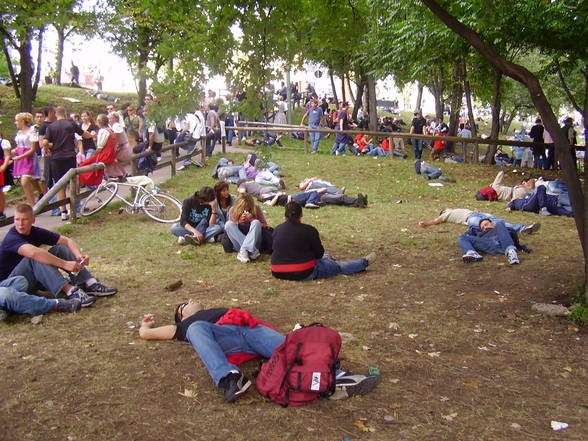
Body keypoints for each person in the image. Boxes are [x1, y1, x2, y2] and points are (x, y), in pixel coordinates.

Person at [138, 300, 381, 403]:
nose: (191, 301)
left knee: (291, 348)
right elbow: (146, 334)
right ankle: (230, 377)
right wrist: (146, 325)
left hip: (248, 330)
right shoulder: (185, 325)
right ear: (182, 313)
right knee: (197, 328)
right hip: (223, 339)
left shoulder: (218, 309)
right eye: (185, 303)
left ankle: (335, 377)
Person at [0, 204, 117, 308]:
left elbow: (67, 241)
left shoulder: (35, 232)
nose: (20, 224)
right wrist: (65, 264)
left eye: (24, 220)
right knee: (37, 257)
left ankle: (88, 282)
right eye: (17, 219)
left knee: (60, 248)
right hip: (11, 285)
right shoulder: (12, 238)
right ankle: (71, 292)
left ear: (33, 220)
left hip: (31, 279)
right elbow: (34, 253)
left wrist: (79, 256)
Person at [271, 201, 376, 281]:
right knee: (338, 266)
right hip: (304, 272)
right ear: (301, 215)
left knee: (326, 257)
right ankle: (363, 263)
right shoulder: (309, 230)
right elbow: (319, 254)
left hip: (277, 271)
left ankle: (329, 260)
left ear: (285, 215)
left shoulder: (277, 229)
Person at [43, 106, 93, 220]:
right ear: (65, 113)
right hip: (70, 156)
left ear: (56, 114)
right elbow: (83, 134)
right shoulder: (70, 124)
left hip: (56, 158)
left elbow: (45, 141)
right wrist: (92, 135)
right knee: (73, 182)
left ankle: (63, 211)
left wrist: (47, 149)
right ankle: (76, 208)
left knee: (60, 184)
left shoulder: (51, 126)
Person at [458, 218, 527, 265]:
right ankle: (472, 254)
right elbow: (468, 236)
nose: (485, 227)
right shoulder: (479, 233)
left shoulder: (500, 227)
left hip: (502, 242)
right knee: (462, 237)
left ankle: (511, 253)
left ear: (492, 223)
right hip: (487, 244)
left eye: (486, 224)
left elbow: (512, 234)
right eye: (482, 228)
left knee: (500, 223)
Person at [418, 208, 540, 234]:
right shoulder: (446, 215)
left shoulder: (457, 209)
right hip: (471, 219)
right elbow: (436, 221)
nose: (448, 208)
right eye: (445, 209)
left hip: (477, 213)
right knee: (489, 225)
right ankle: (504, 232)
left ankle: (522, 228)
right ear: (444, 212)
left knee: (498, 220)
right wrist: (425, 223)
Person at [224, 193, 269, 263]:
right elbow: (232, 230)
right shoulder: (232, 210)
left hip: (255, 242)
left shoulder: (256, 208)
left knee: (256, 222)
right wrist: (238, 221)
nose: (245, 209)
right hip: (238, 242)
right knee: (228, 224)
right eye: (243, 207)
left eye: (247, 206)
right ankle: (251, 251)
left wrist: (252, 219)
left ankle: (245, 251)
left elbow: (265, 225)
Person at [11, 113, 43, 206]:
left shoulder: (31, 132)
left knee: (25, 181)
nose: (15, 123)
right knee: (28, 181)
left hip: (28, 158)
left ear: (22, 121)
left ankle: (35, 203)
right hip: (20, 157)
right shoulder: (19, 133)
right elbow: (19, 146)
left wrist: (20, 156)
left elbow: (32, 149)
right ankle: (33, 202)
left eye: (17, 121)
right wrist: (14, 150)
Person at [78, 114, 118, 187]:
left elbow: (100, 147)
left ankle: (90, 184)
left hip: (105, 155)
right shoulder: (110, 130)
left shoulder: (102, 131)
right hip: (111, 154)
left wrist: (95, 154)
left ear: (99, 122)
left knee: (84, 165)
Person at [507, 185, 573, 217]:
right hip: (528, 205)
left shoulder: (527, 196)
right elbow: (511, 204)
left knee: (558, 210)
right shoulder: (517, 201)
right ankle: (543, 209)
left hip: (541, 205)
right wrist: (509, 207)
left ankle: (573, 214)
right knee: (541, 187)